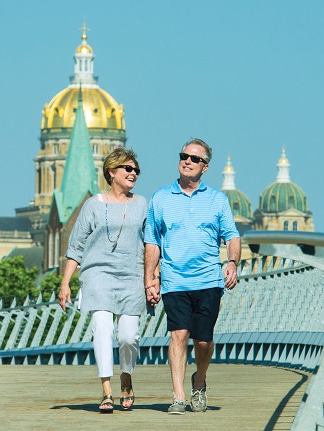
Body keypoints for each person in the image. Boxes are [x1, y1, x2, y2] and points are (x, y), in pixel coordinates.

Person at [144, 138, 240, 415]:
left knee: (202, 340)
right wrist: (150, 277)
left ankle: (199, 379)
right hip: (174, 280)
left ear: (205, 167)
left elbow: (232, 236)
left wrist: (232, 262)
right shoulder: (161, 198)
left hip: (209, 280)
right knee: (178, 334)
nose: (187, 161)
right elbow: (152, 242)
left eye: (195, 159)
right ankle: (178, 396)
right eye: (184, 156)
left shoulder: (217, 199)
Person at [59, 148, 148, 413]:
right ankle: (107, 389)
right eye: (127, 169)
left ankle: (126, 376)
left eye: (136, 170)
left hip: (132, 274)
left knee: (129, 335)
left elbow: (154, 243)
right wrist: (65, 283)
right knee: (101, 328)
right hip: (97, 274)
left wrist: (153, 277)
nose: (133, 173)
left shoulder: (143, 204)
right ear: (111, 172)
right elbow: (76, 247)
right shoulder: (93, 205)